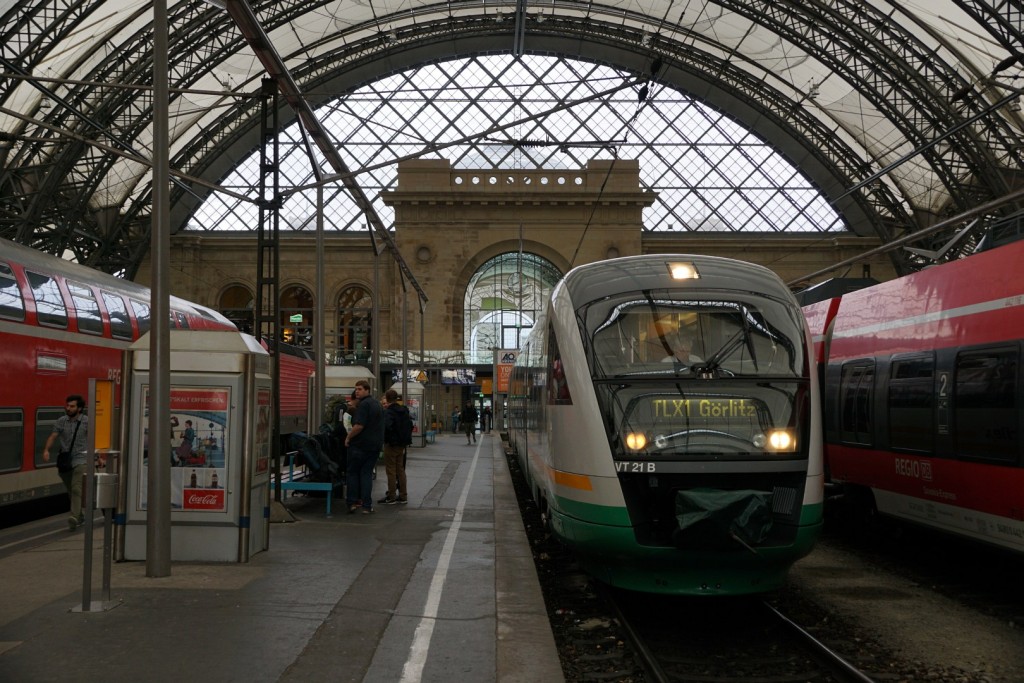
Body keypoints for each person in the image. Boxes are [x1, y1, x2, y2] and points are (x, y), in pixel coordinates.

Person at [42, 394, 90, 531]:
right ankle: (80, 516)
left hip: (81, 458)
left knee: (76, 487)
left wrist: (98, 456)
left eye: (72, 406)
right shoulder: (61, 421)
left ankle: (74, 517)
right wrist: (46, 450)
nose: (68, 408)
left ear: (79, 408)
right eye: (67, 405)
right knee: (71, 489)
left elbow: (94, 439)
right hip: (65, 460)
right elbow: (53, 436)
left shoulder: (87, 422)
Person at [343, 380, 384, 514]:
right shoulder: (377, 404)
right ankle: (367, 505)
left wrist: (348, 437)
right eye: (356, 389)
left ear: (367, 390)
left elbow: (359, 426)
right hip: (374, 446)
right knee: (366, 474)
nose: (357, 391)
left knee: (353, 473)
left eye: (360, 389)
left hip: (360, 446)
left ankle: (352, 503)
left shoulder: (364, 405)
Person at [379, 389, 412, 505]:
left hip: (391, 444)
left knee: (391, 471)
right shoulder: (404, 410)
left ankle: (391, 496)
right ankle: (403, 496)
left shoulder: (389, 412)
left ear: (387, 399)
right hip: (402, 444)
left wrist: (386, 439)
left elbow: (387, 427)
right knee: (400, 470)